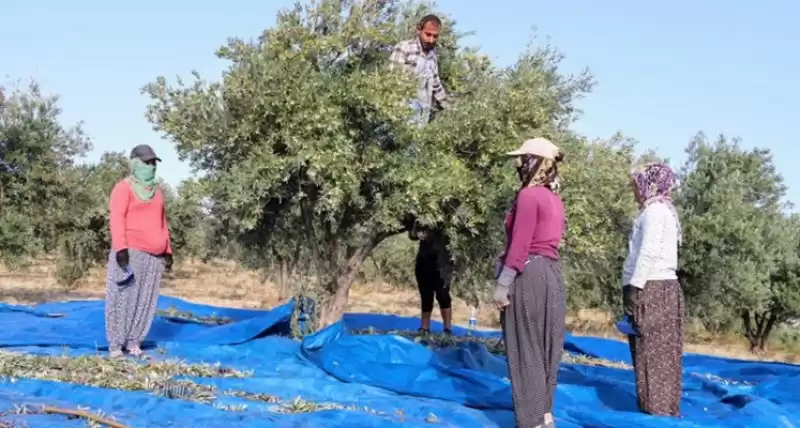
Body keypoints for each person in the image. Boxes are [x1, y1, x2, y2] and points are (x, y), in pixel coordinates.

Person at [493, 137, 566, 428]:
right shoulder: (555, 200)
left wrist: (503, 282)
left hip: (528, 273)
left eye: (523, 159)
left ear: (534, 162)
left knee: (525, 347)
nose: (518, 164)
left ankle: (532, 420)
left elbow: (521, 242)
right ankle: (545, 416)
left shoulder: (527, 197)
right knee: (547, 347)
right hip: (551, 275)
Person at [621, 162, 684, 417]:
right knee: (662, 356)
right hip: (662, 288)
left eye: (637, 184)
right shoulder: (662, 211)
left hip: (653, 289)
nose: (634, 190)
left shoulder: (654, 213)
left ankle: (655, 413)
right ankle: (663, 411)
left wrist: (634, 288)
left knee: (652, 355)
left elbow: (647, 252)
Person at [105, 144, 173, 359]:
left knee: (146, 300)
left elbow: (162, 221)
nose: (151, 166)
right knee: (123, 297)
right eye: (146, 162)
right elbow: (116, 218)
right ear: (134, 162)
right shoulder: (123, 188)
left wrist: (168, 249)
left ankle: (134, 342)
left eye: (153, 162)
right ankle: (116, 346)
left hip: (154, 256)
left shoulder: (157, 191)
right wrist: (121, 248)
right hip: (131, 251)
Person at [389, 14, 450, 127]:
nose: (431, 40)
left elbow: (436, 86)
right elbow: (392, 78)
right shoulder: (404, 48)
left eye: (435, 36)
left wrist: (450, 109)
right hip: (401, 112)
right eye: (428, 34)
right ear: (419, 30)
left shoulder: (433, 57)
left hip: (421, 116)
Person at [409, 224, 453, 334]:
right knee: (426, 295)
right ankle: (424, 328)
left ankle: (447, 329)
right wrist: (421, 233)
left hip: (442, 261)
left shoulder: (448, 221)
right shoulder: (420, 219)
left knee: (443, 294)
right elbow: (412, 235)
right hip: (424, 260)